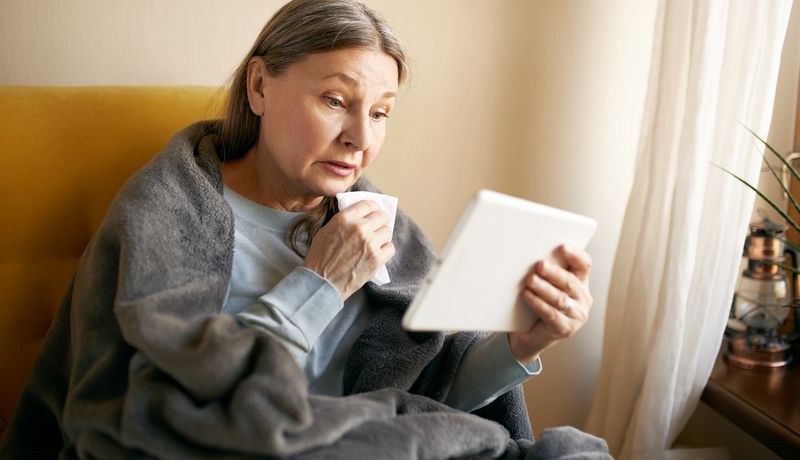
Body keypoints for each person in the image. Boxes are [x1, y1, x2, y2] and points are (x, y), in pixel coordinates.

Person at [1, 1, 609, 458]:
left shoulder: (379, 228)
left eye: (380, 113)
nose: (361, 139)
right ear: (260, 85)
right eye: (335, 101)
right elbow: (176, 409)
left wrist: (521, 345)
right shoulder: (169, 210)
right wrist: (319, 283)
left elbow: (426, 404)